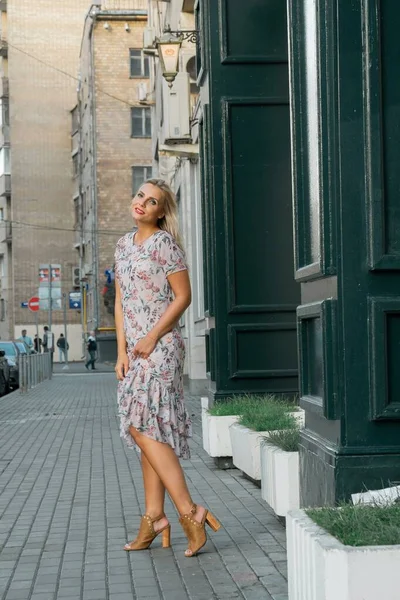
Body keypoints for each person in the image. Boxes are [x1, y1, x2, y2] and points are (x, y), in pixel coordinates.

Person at [114, 179, 221, 557]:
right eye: (140, 195)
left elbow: (184, 296)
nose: (142, 202)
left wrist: (151, 337)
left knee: (141, 425)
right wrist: (122, 350)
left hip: (161, 347)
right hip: (136, 351)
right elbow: (120, 301)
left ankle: (189, 512)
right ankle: (154, 517)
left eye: (152, 200)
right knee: (147, 427)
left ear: (162, 211)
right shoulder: (124, 245)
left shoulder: (165, 245)